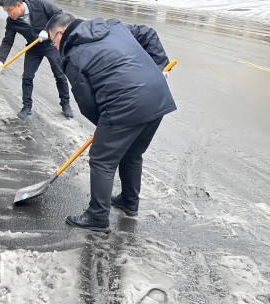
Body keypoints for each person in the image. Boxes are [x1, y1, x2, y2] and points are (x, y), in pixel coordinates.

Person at [44, 12, 177, 232]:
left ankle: (97, 216)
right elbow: (148, 33)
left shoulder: (72, 57)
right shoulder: (113, 26)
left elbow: (86, 103)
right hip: (158, 95)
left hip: (126, 103)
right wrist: (159, 66)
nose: (55, 46)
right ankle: (129, 201)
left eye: (53, 41)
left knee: (101, 160)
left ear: (60, 33)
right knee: (132, 153)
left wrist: (106, 128)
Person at [0, 0, 74, 119]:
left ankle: (65, 104)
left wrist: (47, 30)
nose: (8, 14)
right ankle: (26, 107)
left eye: (9, 10)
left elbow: (59, 14)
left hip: (51, 45)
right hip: (33, 47)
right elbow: (7, 41)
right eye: (6, 11)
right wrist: (0, 60)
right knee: (27, 77)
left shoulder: (39, 4)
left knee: (59, 75)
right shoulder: (11, 22)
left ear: (18, 5)